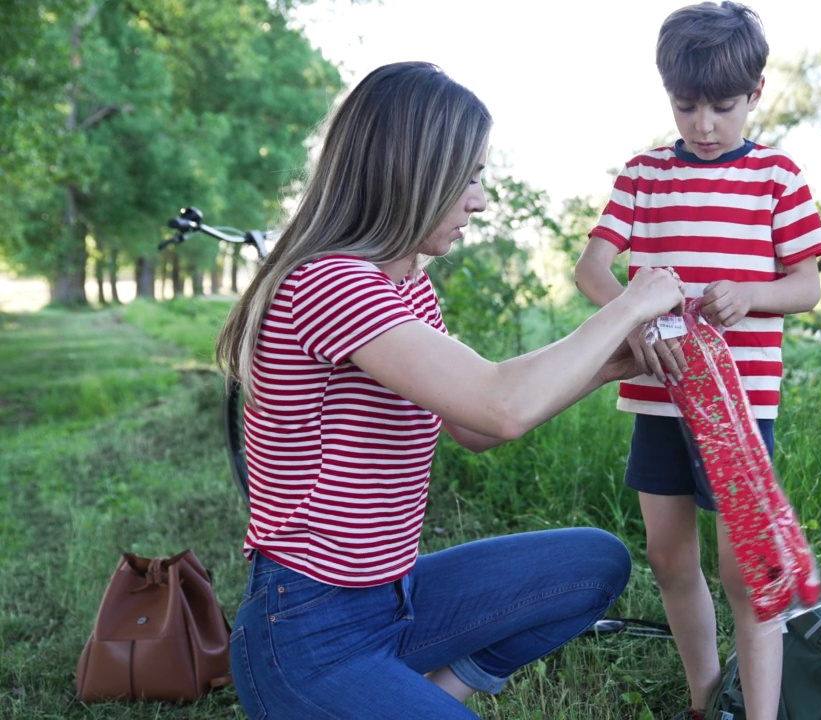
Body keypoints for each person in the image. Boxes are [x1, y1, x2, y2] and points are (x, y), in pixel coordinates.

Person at [213, 61, 685, 720]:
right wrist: (627, 307)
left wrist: (612, 364)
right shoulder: (329, 283)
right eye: (469, 178)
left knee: (593, 564)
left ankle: (437, 692)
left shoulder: (405, 283)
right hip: (308, 635)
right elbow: (502, 403)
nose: (481, 200)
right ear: (412, 172)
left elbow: (477, 427)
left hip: (396, 601)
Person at [572, 3, 821, 719]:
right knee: (668, 557)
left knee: (745, 572)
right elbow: (593, 268)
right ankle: (703, 697)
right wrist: (636, 314)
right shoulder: (645, 174)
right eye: (686, 107)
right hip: (660, 400)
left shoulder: (778, 176)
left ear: (756, 93)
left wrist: (750, 294)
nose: (704, 124)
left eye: (722, 106)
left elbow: (806, 286)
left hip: (740, 409)